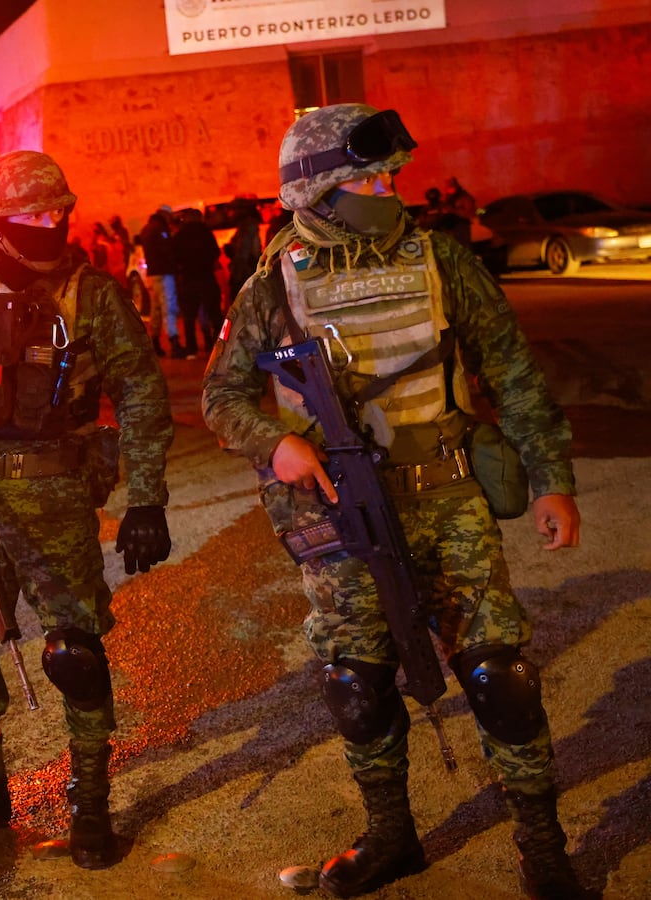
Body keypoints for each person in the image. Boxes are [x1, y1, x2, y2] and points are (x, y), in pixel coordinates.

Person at [202, 104, 586, 899]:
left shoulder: (441, 260)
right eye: (368, 178)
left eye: (388, 175)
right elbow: (221, 394)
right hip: (340, 514)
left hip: (449, 496)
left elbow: (511, 372)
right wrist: (276, 442)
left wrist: (551, 479)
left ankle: (544, 852)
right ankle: (392, 837)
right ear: (316, 191)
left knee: (499, 676)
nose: (387, 189)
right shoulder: (275, 281)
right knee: (356, 681)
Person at [0, 151, 174, 870]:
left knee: (72, 653)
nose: (50, 224)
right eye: (32, 214)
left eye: (58, 212)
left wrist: (146, 497)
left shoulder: (91, 294)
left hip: (57, 495)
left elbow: (140, 391)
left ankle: (90, 803)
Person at [171, 207, 223, 358]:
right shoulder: (206, 233)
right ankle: (219, 346)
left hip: (188, 278)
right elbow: (215, 252)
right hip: (206, 276)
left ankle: (191, 349)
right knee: (214, 313)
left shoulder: (180, 235)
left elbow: (174, 256)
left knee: (189, 316)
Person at [139, 206, 181, 356]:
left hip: (152, 274)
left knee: (155, 309)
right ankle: (174, 342)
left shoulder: (147, 229)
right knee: (169, 306)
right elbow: (168, 250)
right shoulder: (160, 229)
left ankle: (155, 342)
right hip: (164, 273)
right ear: (164, 214)